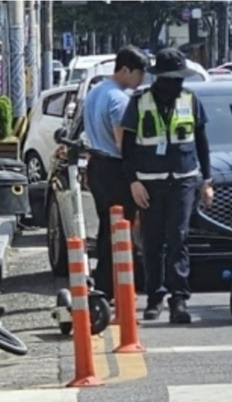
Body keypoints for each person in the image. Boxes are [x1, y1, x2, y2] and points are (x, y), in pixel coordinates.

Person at [121, 48, 214, 324]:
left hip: (183, 181)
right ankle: (154, 297)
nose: (176, 83)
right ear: (159, 77)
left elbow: (202, 143)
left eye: (179, 78)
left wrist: (206, 181)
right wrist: (133, 182)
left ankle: (179, 300)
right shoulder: (140, 102)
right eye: (171, 78)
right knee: (152, 242)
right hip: (149, 183)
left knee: (178, 237)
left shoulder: (190, 99)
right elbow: (126, 148)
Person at [84, 45, 149, 301]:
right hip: (115, 168)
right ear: (124, 70)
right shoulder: (119, 100)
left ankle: (105, 284)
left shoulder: (95, 92)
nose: (141, 79)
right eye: (139, 73)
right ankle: (116, 286)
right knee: (120, 230)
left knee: (106, 228)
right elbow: (125, 145)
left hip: (97, 165)